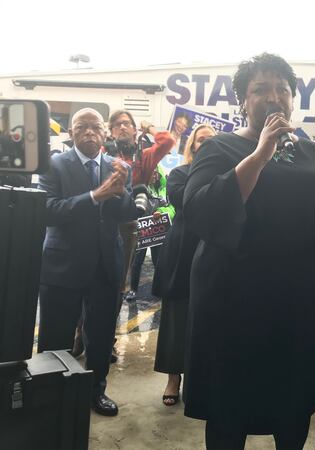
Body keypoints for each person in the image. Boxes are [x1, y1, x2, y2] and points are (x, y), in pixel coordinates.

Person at [182, 53, 315, 449]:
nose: (274, 97)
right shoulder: (220, 148)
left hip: (297, 305)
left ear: (294, 100)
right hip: (234, 306)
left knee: (292, 408)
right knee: (230, 409)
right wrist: (260, 155)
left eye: (283, 89)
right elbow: (200, 210)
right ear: (243, 100)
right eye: (261, 89)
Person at [37, 108, 138, 416]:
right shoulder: (53, 165)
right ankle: (50, 396)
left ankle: (96, 392)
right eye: (82, 127)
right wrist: (96, 195)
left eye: (96, 127)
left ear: (105, 133)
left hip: (105, 263)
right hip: (62, 265)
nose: (89, 132)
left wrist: (122, 195)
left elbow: (124, 213)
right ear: (71, 132)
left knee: (101, 334)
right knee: (56, 334)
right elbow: (48, 210)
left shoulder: (118, 167)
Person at [152, 123, 217, 406]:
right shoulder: (179, 173)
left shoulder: (227, 173)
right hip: (182, 253)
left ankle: (201, 379)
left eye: (211, 141)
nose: (205, 145)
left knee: (209, 318)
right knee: (177, 318)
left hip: (215, 251)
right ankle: (173, 378)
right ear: (191, 146)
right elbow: (185, 202)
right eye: (200, 141)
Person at [106, 110, 174, 303]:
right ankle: (81, 329)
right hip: (102, 222)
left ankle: (109, 327)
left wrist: (149, 127)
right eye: (117, 124)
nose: (122, 127)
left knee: (120, 280)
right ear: (111, 132)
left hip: (129, 225)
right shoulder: (103, 153)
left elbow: (167, 142)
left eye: (127, 123)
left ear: (135, 130)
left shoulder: (144, 157)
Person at [127, 164, 174, 298]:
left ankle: (160, 288)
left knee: (158, 261)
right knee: (137, 262)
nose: (153, 176)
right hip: (142, 230)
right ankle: (133, 290)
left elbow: (172, 208)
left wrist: (161, 211)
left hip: (158, 230)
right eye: (151, 173)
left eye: (156, 174)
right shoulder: (139, 188)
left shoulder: (165, 190)